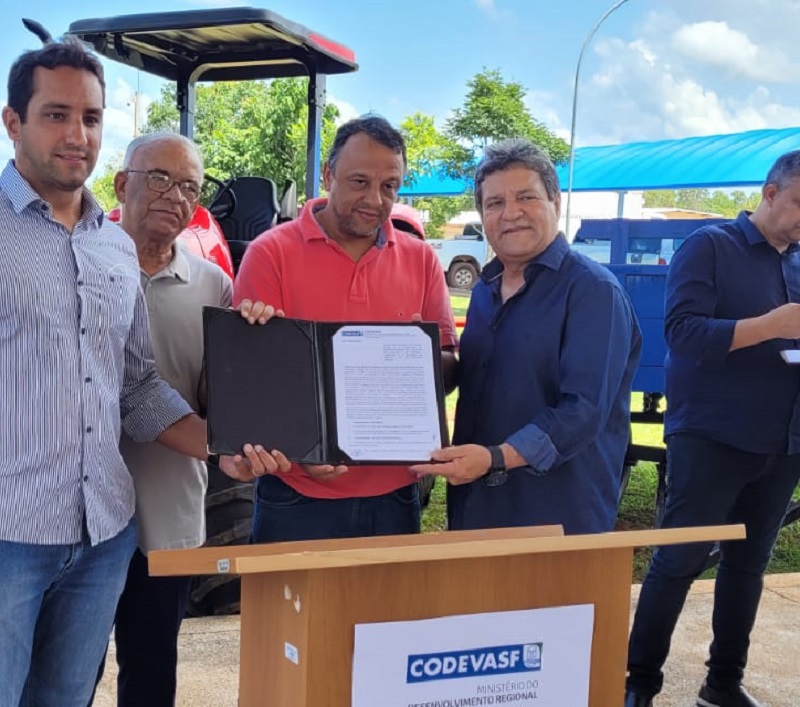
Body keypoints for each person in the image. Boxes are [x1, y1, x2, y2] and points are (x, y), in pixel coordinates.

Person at [0, 39, 285, 707]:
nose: (77, 135)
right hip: (11, 533)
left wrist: (224, 448)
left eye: (91, 118)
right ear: (13, 122)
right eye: (56, 115)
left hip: (103, 535)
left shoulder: (111, 249)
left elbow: (136, 386)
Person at [624, 151, 800, 707]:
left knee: (748, 568)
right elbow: (683, 334)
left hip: (784, 440)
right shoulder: (710, 246)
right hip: (712, 436)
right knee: (679, 559)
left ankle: (722, 684)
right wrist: (769, 326)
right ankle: (638, 684)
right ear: (771, 193)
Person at [234, 115, 458, 543]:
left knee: (386, 592)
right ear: (328, 175)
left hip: (395, 495)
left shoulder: (422, 259)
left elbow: (448, 367)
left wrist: (419, 359)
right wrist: (302, 452)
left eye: (389, 186)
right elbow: (254, 378)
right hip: (294, 493)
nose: (375, 199)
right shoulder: (270, 253)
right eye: (359, 182)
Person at [411, 138, 641, 535]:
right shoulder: (485, 291)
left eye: (526, 197)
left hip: (556, 513)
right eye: (494, 203)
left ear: (556, 202)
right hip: (475, 506)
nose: (510, 213)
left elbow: (584, 409)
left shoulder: (593, 292)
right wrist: (411, 356)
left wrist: (496, 458)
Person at [88, 132, 232, 706]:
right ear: (122, 183)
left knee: (150, 671)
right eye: (160, 179)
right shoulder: (81, 264)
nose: (176, 196)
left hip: (169, 512)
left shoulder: (215, 286)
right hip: (80, 516)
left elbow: (220, 400)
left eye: (190, 187)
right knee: (70, 671)